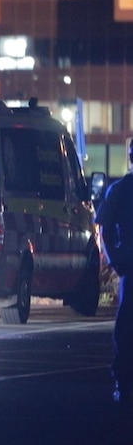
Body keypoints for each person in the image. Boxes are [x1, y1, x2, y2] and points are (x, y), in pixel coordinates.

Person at [95, 138, 133, 403]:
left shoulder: (119, 190)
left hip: (128, 263)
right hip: (129, 264)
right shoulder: (120, 190)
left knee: (126, 326)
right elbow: (105, 229)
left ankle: (123, 381)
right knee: (126, 325)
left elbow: (104, 228)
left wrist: (115, 258)